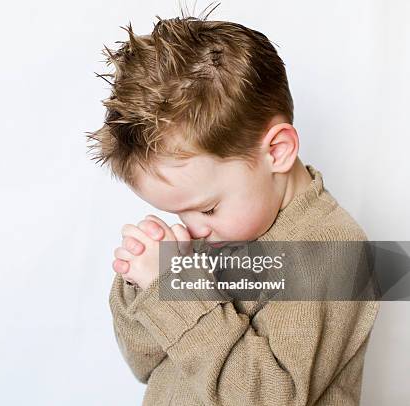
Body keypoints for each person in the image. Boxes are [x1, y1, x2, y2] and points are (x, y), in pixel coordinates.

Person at [86, 9, 380, 406]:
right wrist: (143, 283)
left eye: (206, 209)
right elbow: (144, 363)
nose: (193, 230)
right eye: (178, 213)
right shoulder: (222, 232)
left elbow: (265, 397)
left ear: (277, 151)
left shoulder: (332, 253)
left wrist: (175, 289)